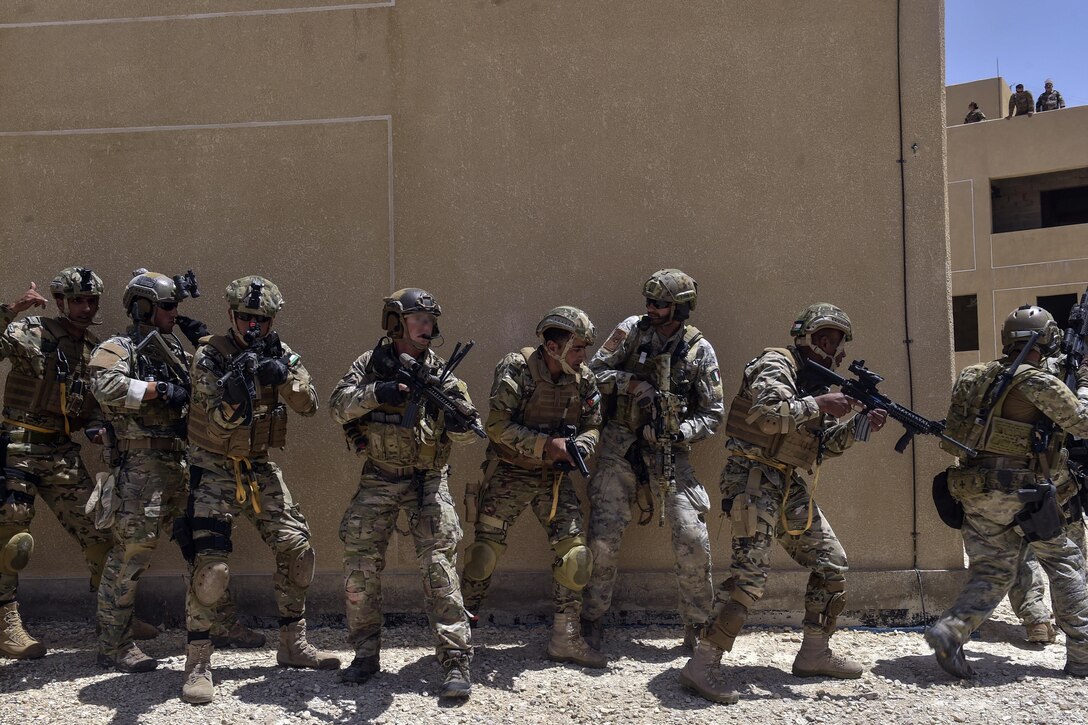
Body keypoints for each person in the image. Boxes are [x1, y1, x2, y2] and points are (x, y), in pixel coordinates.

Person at [679, 303, 887, 704]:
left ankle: (814, 653)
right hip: (752, 478)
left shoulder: (812, 386)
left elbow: (819, 448)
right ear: (814, 338)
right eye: (832, 342)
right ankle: (702, 663)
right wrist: (822, 404)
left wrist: (859, 425)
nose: (838, 352)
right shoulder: (777, 363)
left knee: (831, 563)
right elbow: (767, 414)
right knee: (749, 578)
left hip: (786, 482)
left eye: (839, 343)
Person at [89, 270, 263, 673]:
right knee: (132, 553)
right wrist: (156, 390)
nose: (174, 313)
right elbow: (103, 384)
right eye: (168, 307)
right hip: (140, 468)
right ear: (143, 307)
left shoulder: (173, 349)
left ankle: (220, 622)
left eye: (175, 306)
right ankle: (114, 643)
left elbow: (207, 388)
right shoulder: (120, 346)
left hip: (182, 463)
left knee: (201, 548)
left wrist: (205, 343)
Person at [178, 276, 338, 705]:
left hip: (258, 468)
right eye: (246, 318)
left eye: (262, 320)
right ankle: (197, 661)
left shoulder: (280, 352)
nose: (254, 326)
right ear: (231, 315)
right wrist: (238, 390)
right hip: (212, 470)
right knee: (212, 570)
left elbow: (309, 405)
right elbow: (215, 424)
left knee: (298, 549)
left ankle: (292, 643)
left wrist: (283, 377)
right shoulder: (210, 356)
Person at [330, 288, 479, 698]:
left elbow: (468, 436)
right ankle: (365, 655)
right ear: (396, 323)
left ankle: (455, 662)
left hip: (428, 479)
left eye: (431, 320)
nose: (427, 328)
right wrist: (377, 393)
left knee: (440, 570)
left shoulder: (443, 375)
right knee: (359, 567)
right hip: (379, 477)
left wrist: (457, 421)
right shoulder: (369, 364)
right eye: (418, 320)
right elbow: (337, 406)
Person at [925, 305, 1088, 679]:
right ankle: (1082, 655)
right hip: (1022, 494)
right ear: (1044, 340)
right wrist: (1084, 383)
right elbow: (1082, 422)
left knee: (994, 569)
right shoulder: (1036, 382)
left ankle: (951, 631)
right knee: (1065, 562)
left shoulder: (974, 375)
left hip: (974, 490)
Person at [0, 268, 149, 659]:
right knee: (12, 541)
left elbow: (92, 409)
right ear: (61, 300)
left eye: (92, 300)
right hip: (18, 445)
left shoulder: (94, 351)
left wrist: (100, 429)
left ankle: (113, 618)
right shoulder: (32, 331)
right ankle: (5, 625)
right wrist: (12, 310)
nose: (86, 308)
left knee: (100, 531)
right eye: (78, 300)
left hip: (61, 452)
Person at [580, 269, 724, 653]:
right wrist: (631, 384)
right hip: (621, 444)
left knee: (692, 537)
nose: (651, 309)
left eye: (660, 303)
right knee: (603, 537)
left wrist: (681, 432)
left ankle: (697, 626)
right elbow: (591, 373)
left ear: (681, 307)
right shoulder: (631, 330)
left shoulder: (699, 351)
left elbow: (713, 412)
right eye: (649, 302)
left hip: (669, 451)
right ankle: (591, 619)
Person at [460, 306, 606, 668]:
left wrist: (582, 446)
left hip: (554, 480)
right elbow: (495, 426)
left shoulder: (583, 378)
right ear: (554, 347)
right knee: (482, 558)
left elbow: (593, 424)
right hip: (510, 473)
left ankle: (565, 637)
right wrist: (545, 445)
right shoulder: (517, 369)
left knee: (577, 558)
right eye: (577, 348)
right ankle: (458, 638)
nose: (583, 356)